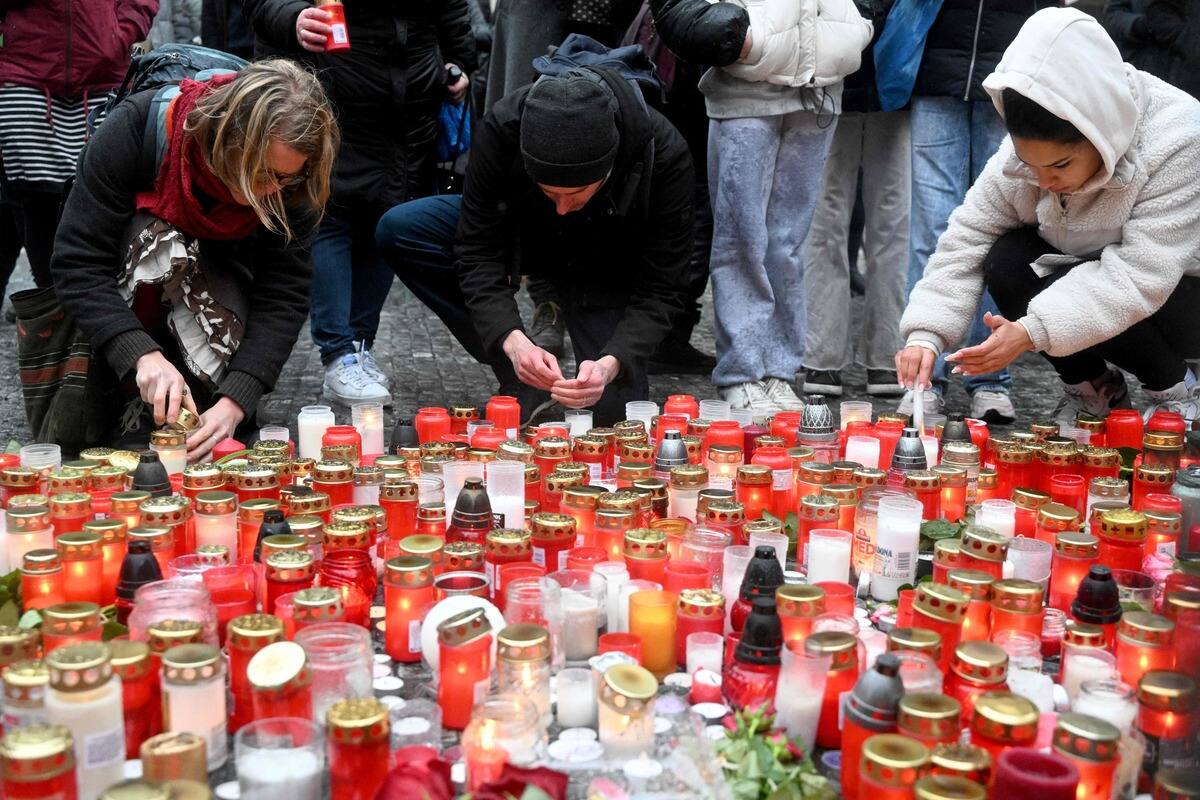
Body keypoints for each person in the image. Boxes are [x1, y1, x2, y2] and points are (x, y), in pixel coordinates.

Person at [896, 8, 1200, 424]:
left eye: (1059, 166)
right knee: (1007, 258)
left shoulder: (1179, 136)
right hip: (1096, 275)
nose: (1044, 180)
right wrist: (926, 335)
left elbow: (1139, 275)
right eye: (1030, 163)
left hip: (1181, 295)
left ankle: (1177, 390)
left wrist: (1032, 331)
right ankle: (1094, 390)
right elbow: (967, 237)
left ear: (1100, 133)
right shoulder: (1027, 159)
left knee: (1112, 286)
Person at [48, 60, 339, 459]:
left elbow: (283, 296)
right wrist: (140, 354)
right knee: (157, 240)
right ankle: (131, 400)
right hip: (131, 282)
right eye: (261, 173)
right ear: (226, 138)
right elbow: (77, 263)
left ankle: (208, 395)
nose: (272, 189)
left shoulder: (291, 187)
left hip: (226, 289)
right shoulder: (135, 129)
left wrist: (238, 400)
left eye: (286, 178)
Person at [376, 67, 693, 426]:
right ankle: (521, 373)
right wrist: (511, 341)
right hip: (525, 236)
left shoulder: (663, 153)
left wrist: (613, 362)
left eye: (574, 194)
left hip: (607, 258)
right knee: (402, 228)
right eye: (549, 192)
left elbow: (663, 287)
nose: (561, 207)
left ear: (607, 171)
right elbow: (476, 249)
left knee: (612, 416)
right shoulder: (503, 128)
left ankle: (593, 358)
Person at [246, 0, 475, 407]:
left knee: (388, 216)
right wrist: (294, 18)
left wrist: (459, 61)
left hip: (410, 106)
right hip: (330, 88)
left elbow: (453, 9)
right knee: (328, 214)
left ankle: (358, 350)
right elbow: (263, 5)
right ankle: (337, 355)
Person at [654, 0, 873, 416]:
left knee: (788, 242)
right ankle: (742, 372)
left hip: (820, 82)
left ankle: (778, 370)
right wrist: (739, 37)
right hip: (746, 80)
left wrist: (858, 22)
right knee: (742, 237)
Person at [898, 0, 1055, 423]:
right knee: (932, 232)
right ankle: (924, 377)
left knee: (999, 231)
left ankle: (989, 377)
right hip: (936, 69)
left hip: (1010, 78)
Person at [0, 0, 158, 297]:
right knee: (35, 198)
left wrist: (119, 32)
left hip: (104, 80)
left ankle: (88, 306)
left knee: (99, 196)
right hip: (25, 76)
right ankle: (54, 309)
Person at [800, 0, 909, 399]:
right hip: (838, 71)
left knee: (890, 220)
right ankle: (831, 354)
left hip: (893, 72)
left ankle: (879, 354)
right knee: (832, 218)